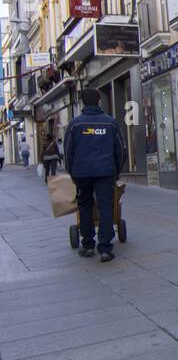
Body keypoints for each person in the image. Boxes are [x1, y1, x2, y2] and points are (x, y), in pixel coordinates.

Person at [64, 88, 126, 262]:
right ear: (99, 101)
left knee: (84, 206)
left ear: (83, 102)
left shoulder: (75, 124)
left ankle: (88, 245)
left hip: (82, 174)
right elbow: (121, 150)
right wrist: (116, 171)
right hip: (106, 172)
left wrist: (72, 172)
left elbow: (68, 151)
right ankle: (105, 248)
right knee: (106, 206)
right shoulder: (110, 123)